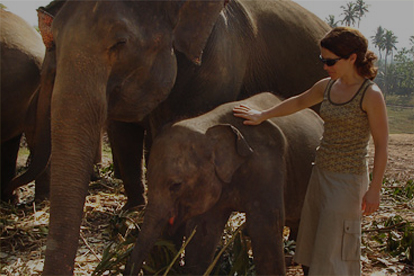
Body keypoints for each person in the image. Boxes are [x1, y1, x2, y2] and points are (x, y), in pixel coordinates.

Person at [233, 27, 388, 276]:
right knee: (316, 245)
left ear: (352, 58)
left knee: (336, 250)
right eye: (322, 60)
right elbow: (298, 102)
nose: (325, 66)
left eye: (330, 61)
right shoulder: (327, 86)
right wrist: (263, 114)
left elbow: (382, 144)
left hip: (348, 181)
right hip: (320, 175)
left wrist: (374, 190)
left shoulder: (370, 95)